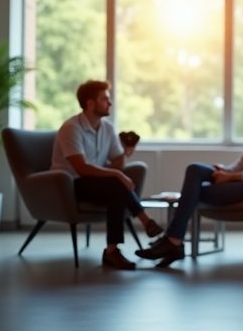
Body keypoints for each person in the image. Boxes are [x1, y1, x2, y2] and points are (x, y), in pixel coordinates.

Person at [135, 80, 243, 268]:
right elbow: (242, 163)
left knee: (193, 193)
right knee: (195, 169)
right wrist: (223, 170)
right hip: (240, 180)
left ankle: (173, 241)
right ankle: (173, 240)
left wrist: (230, 177)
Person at [50, 80, 163, 270]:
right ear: (90, 103)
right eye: (105, 99)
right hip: (70, 185)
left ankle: (112, 250)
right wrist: (117, 175)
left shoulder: (107, 128)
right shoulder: (71, 128)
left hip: (96, 182)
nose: (110, 103)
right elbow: (82, 168)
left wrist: (124, 155)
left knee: (116, 187)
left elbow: (119, 161)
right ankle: (145, 222)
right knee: (116, 182)